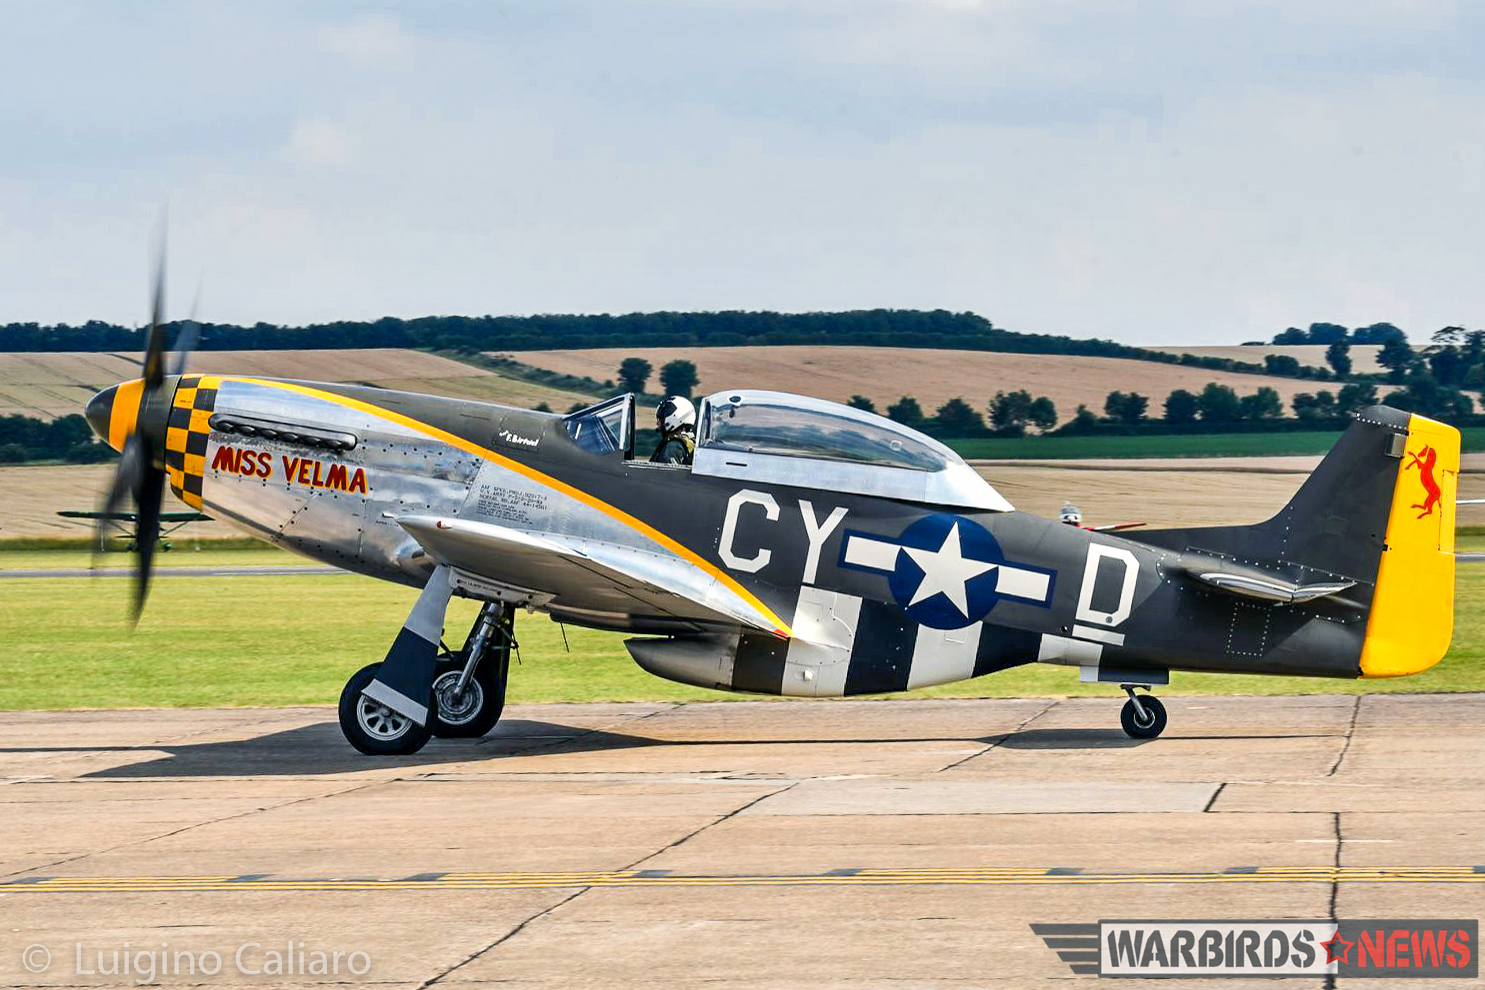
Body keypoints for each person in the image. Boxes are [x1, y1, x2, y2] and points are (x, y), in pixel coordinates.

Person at [650, 396, 696, 465]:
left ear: (676, 416)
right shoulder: (691, 443)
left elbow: (665, 475)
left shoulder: (673, 447)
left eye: (661, 419)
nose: (658, 423)